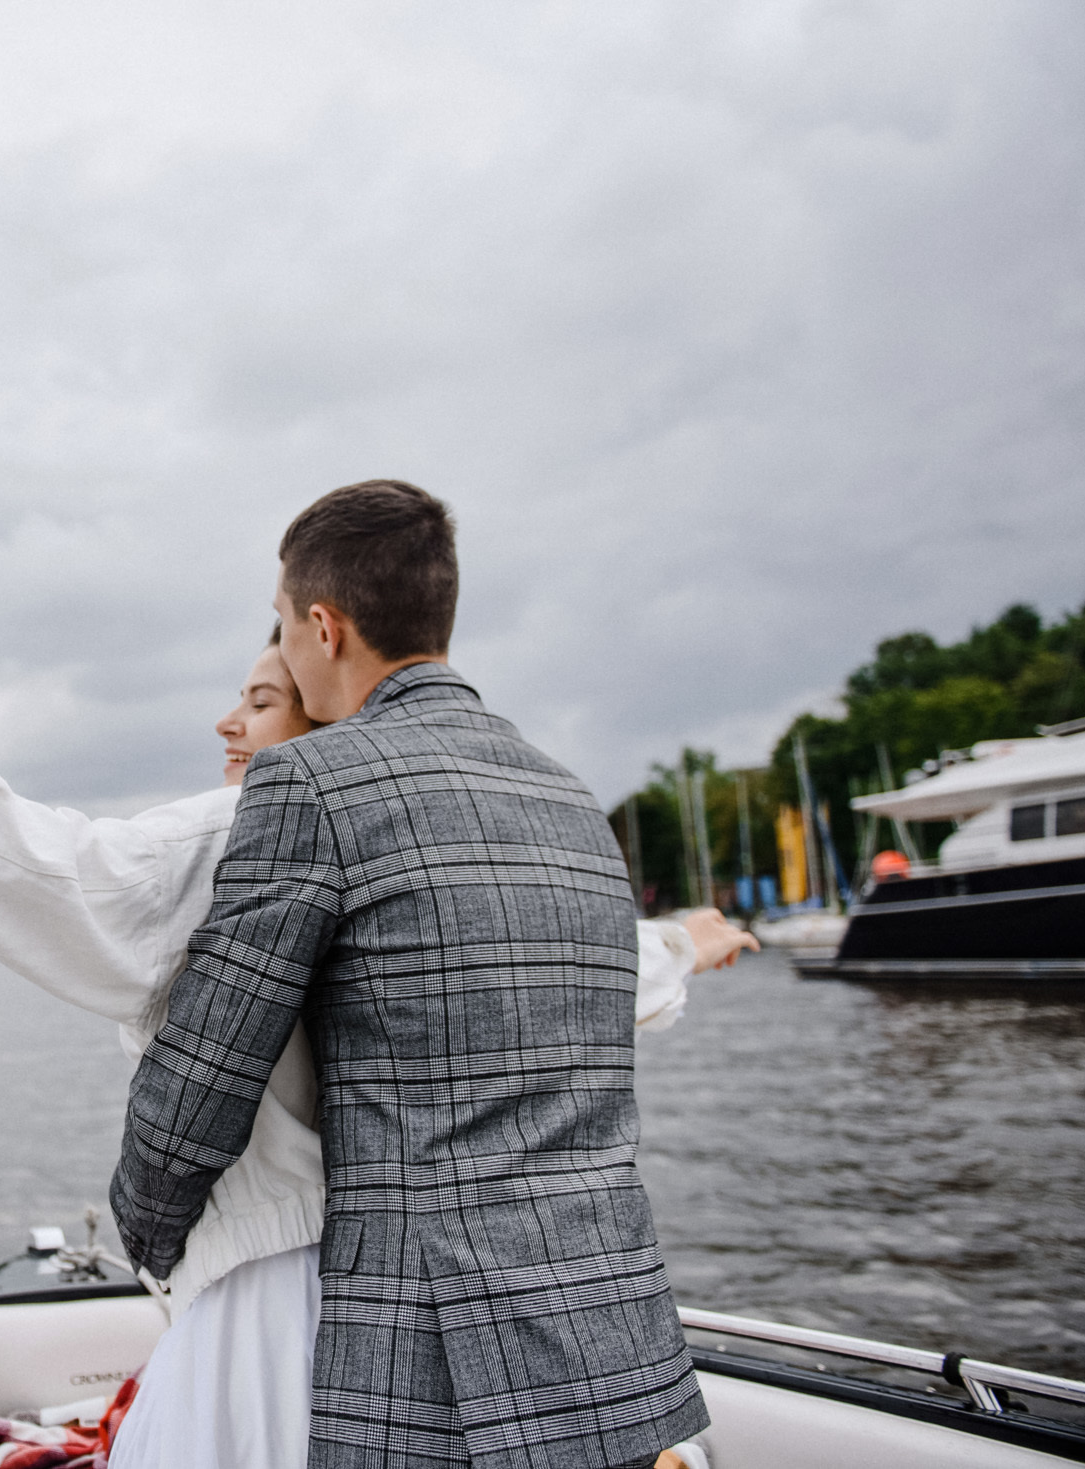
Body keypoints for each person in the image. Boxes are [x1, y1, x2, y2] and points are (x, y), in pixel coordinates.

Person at [0, 578, 752, 1469]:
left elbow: (71, 874)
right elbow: (586, 968)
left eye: (261, 699)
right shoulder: (453, 840)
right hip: (445, 1304)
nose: (228, 722)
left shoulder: (254, 821)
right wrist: (681, 945)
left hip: (282, 1308)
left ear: (325, 710)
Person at [109, 481, 711, 1469]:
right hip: (619, 1339)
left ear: (322, 623)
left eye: (286, 628)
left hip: (428, 1362)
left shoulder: (309, 779)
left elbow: (208, 1067)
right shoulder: (570, 796)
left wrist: (148, 1225)